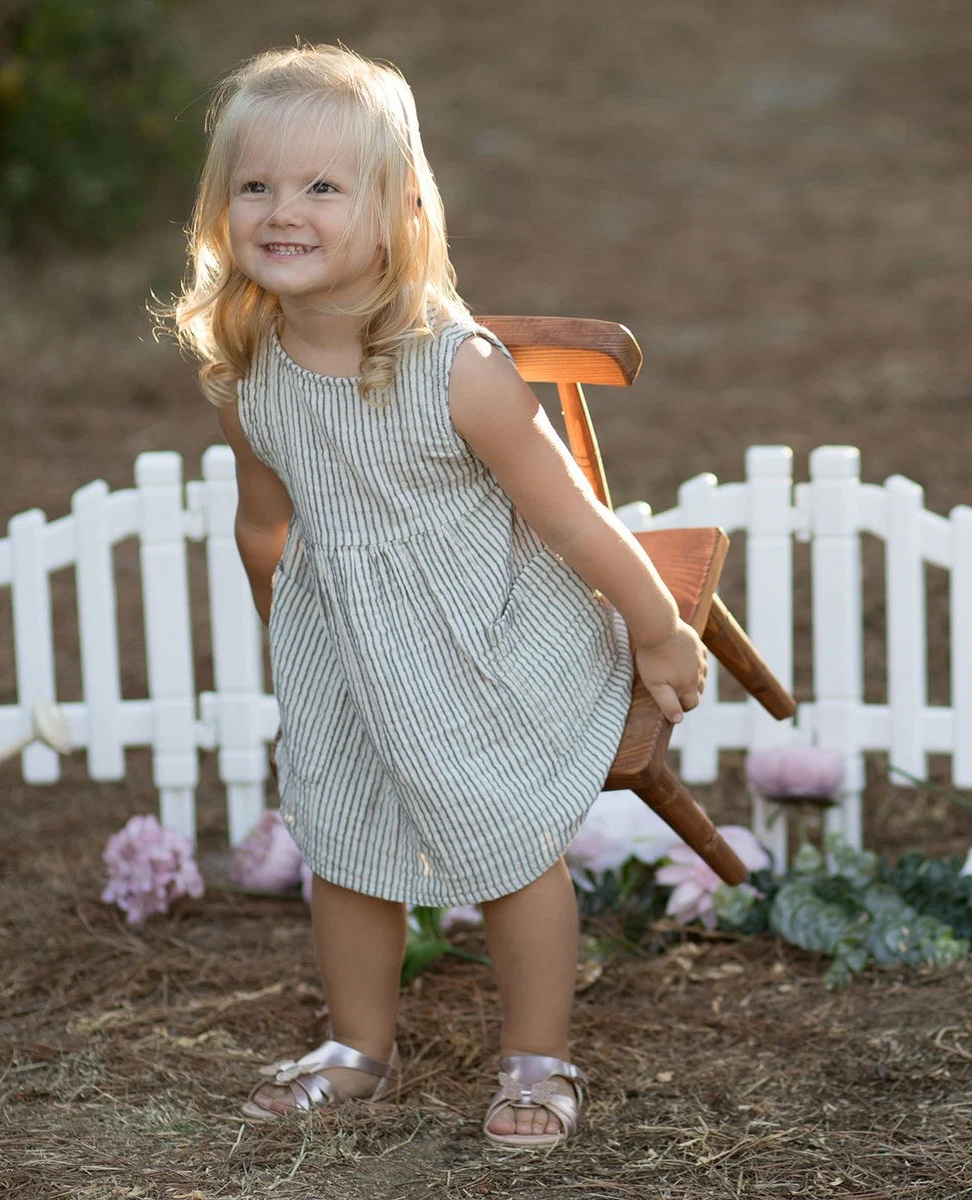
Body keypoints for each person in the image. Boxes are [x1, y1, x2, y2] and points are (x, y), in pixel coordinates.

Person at [174, 43, 706, 1149]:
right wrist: (289, 638)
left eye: (323, 186)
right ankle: (358, 1046)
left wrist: (657, 629)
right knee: (344, 836)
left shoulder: (455, 368)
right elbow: (265, 519)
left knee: (507, 840)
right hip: (350, 645)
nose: (283, 209)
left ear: (396, 210)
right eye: (256, 185)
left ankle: (536, 1058)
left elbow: (570, 518)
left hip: (486, 638)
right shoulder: (250, 367)